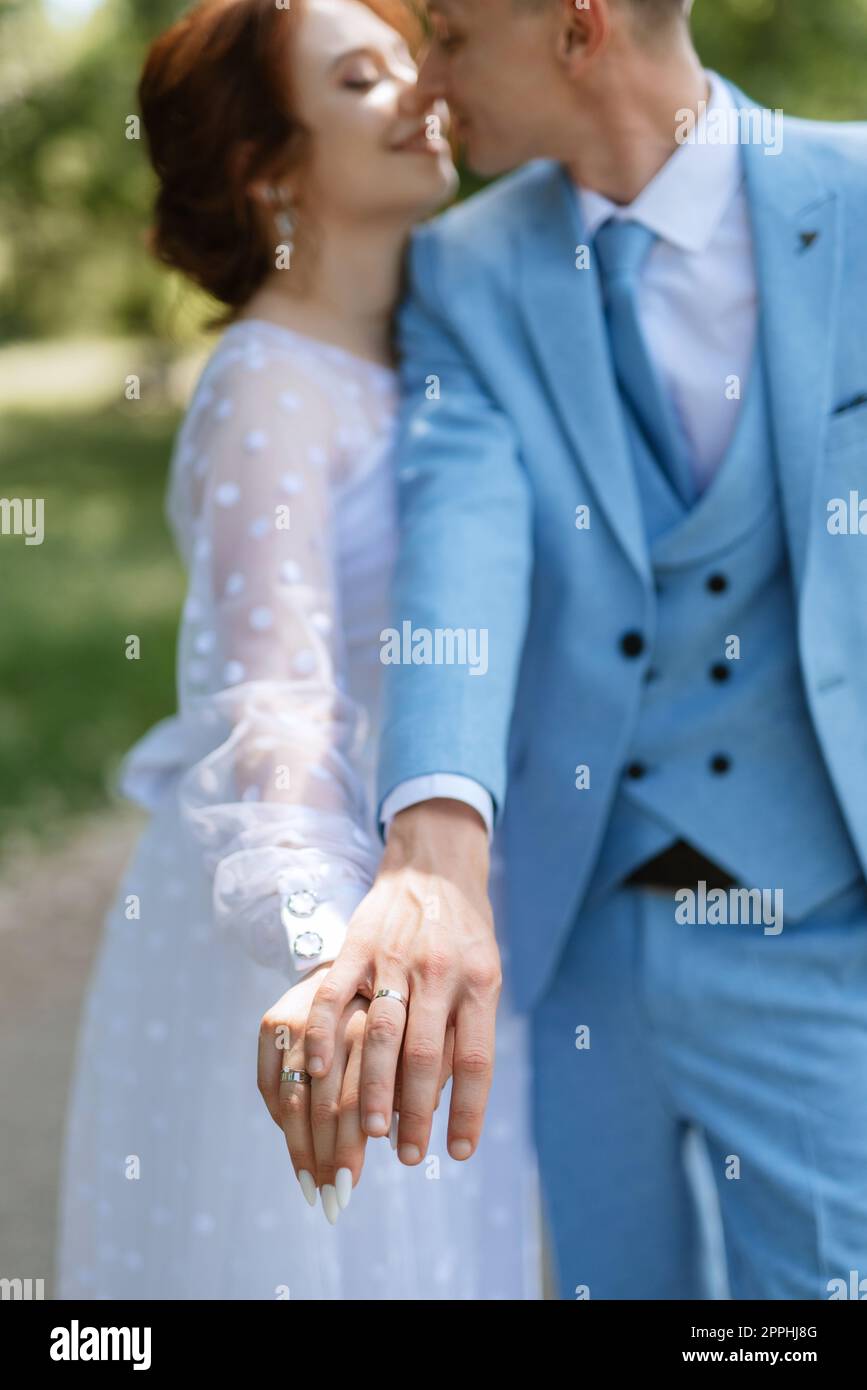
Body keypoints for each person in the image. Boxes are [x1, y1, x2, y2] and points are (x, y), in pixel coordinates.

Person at [304, 0, 867, 1299]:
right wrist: (435, 833)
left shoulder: (858, 196)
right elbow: (463, 537)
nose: (423, 84)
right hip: (580, 935)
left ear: (578, 27)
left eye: (446, 34)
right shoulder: (464, 269)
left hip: (822, 918)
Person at [55, 0, 542, 1300]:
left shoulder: (431, 351)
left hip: (428, 922)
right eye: (358, 76)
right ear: (270, 167)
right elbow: (266, 701)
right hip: (308, 931)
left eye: (408, 57)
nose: (414, 89)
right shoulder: (270, 380)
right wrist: (336, 955)